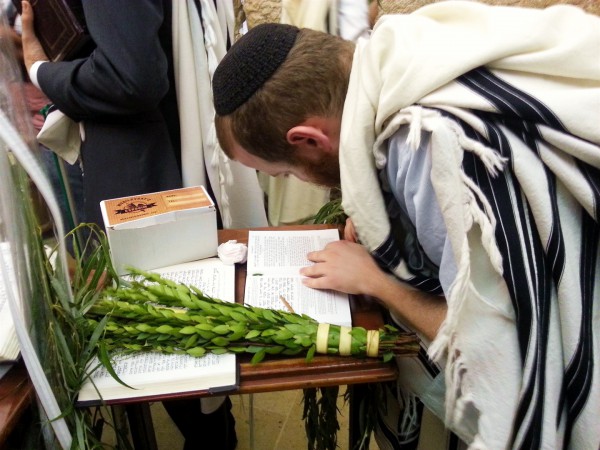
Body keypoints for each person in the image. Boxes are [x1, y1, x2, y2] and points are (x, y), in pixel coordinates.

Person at [211, 3, 600, 449]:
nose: (293, 181)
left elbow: (495, 341)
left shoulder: (435, 151)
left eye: (284, 173)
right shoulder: (399, 55)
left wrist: (377, 281)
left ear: (308, 139)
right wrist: (379, 210)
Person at [19, 1, 243, 448]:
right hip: (154, 148)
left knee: (163, 328)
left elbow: (132, 76)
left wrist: (41, 68)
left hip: (145, 163)